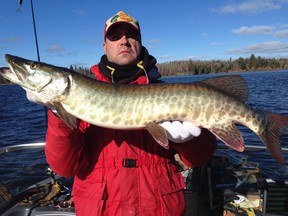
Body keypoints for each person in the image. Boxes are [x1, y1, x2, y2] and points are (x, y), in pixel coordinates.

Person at [44, 11, 216, 216]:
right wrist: (58, 113)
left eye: (131, 35)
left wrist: (189, 141)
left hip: (158, 208)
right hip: (102, 209)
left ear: (140, 43)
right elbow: (65, 167)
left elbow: (202, 156)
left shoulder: (167, 92)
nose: (124, 41)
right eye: (115, 36)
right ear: (105, 46)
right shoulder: (79, 99)